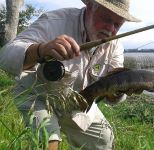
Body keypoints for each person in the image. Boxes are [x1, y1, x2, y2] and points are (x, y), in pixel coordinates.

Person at [0, 0, 140, 149]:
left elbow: (113, 95)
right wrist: (42, 49)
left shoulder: (115, 46)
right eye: (106, 19)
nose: (110, 29)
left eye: (117, 25)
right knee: (48, 143)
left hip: (77, 102)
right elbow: (5, 56)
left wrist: (121, 92)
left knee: (104, 140)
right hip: (37, 94)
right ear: (90, 6)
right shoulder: (55, 21)